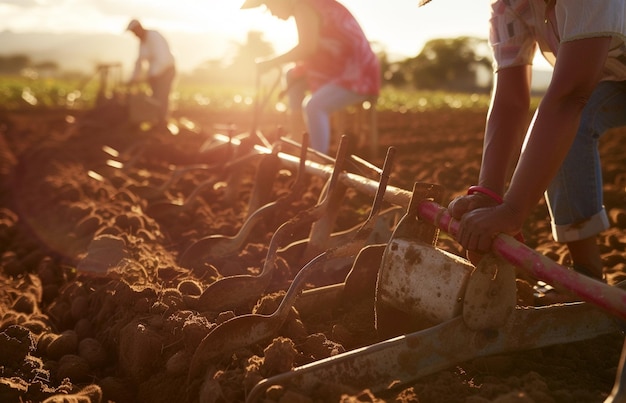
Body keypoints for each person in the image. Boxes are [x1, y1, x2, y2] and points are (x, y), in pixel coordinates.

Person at [419, 0, 626, 282]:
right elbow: (511, 101)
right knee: (563, 131)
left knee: (564, 114)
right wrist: (488, 196)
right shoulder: (509, 6)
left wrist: (513, 211)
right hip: (617, 79)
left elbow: (569, 97)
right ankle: (587, 275)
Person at [240, 0, 380, 154]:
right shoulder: (305, 6)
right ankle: (298, 141)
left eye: (270, 6)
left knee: (314, 106)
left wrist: (271, 62)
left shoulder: (304, 6)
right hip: (333, 68)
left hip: (356, 73)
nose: (272, 13)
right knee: (292, 76)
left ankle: (317, 157)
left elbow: (307, 48)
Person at [126, 19, 177, 131]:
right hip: (156, 73)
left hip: (167, 70)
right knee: (155, 97)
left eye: (134, 32)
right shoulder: (142, 42)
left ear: (139, 28)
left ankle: (163, 122)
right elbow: (139, 62)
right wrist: (133, 78)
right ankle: (156, 120)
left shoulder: (155, 37)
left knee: (162, 96)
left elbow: (162, 59)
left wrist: (152, 75)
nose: (134, 35)